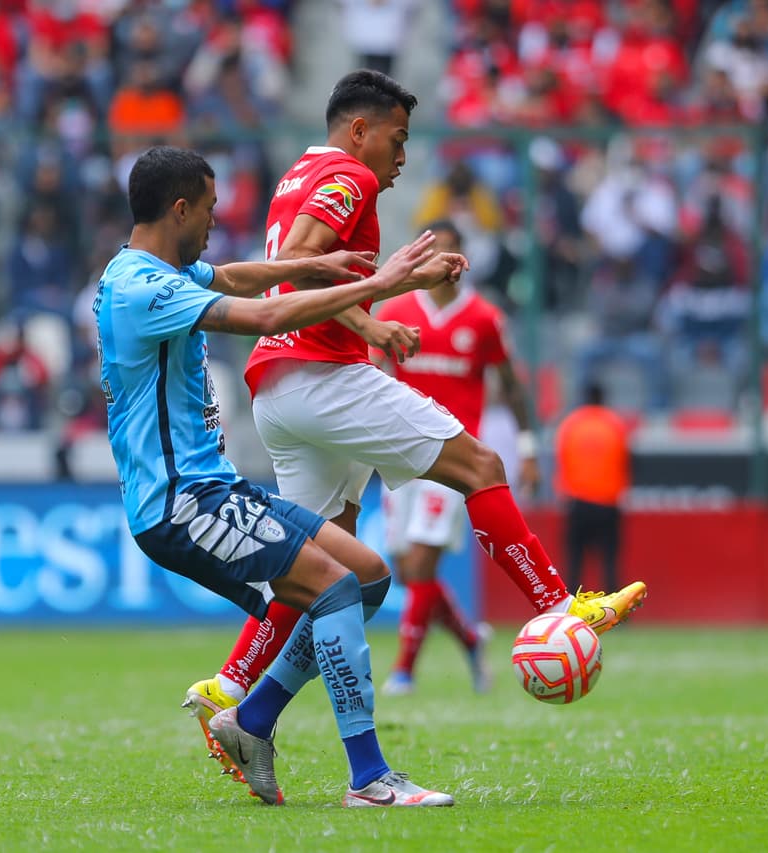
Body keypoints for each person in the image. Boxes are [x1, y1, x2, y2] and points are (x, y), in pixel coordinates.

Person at [183, 70, 647, 782]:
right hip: (322, 376)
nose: (402, 160)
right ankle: (563, 607)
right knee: (480, 467)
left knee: (317, 571)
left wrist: (365, 318)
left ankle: (238, 698)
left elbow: (292, 265)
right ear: (361, 130)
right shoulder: (348, 176)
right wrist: (370, 317)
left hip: (277, 385)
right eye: (397, 141)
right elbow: (306, 259)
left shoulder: (298, 170)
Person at [98, 145, 464, 807]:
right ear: (179, 209)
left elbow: (238, 277)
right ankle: (369, 777)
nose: (214, 221)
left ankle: (253, 719)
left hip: (213, 489)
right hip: (181, 500)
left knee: (367, 575)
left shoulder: (154, 270)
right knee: (330, 587)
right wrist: (381, 288)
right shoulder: (142, 287)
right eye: (208, 210)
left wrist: (311, 265)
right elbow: (263, 315)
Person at [371, 220, 540, 696]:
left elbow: (511, 385)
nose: (444, 260)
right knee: (407, 572)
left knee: (422, 565)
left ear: (464, 260)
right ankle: (468, 638)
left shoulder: (484, 318)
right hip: (395, 452)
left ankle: (403, 671)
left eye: (453, 250)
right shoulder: (399, 309)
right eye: (435, 250)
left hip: (451, 454)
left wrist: (528, 448)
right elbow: (370, 371)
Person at [552, 383, 631, 594]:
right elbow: (625, 460)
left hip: (578, 501)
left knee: (575, 561)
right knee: (610, 561)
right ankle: (616, 611)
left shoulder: (571, 425)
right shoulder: (615, 424)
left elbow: (562, 460)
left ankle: (569, 606)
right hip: (608, 501)